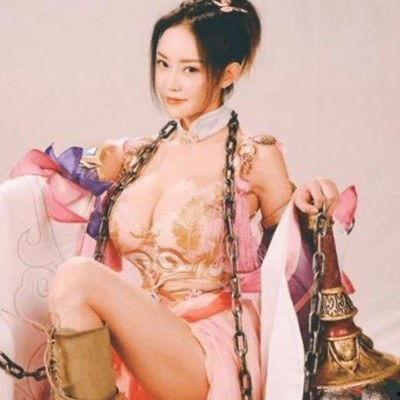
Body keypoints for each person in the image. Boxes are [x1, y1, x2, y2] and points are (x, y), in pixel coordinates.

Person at [5, 0, 357, 399]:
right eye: (163, 64)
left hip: (209, 347)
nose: (171, 83)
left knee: (77, 277)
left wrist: (309, 205)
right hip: (143, 336)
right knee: (76, 285)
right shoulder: (139, 155)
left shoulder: (253, 156)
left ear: (228, 74)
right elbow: (63, 180)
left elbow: (292, 256)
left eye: (190, 69)